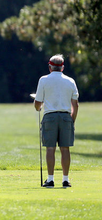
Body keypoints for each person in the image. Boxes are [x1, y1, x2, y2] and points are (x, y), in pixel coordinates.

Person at [34, 54, 79, 188]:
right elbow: (75, 105)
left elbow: (38, 103)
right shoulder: (70, 81)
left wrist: (38, 107)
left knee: (50, 148)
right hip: (66, 117)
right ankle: (65, 179)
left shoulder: (43, 80)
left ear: (50, 67)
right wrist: (72, 120)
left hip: (50, 117)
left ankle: (50, 179)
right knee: (65, 149)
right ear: (62, 67)